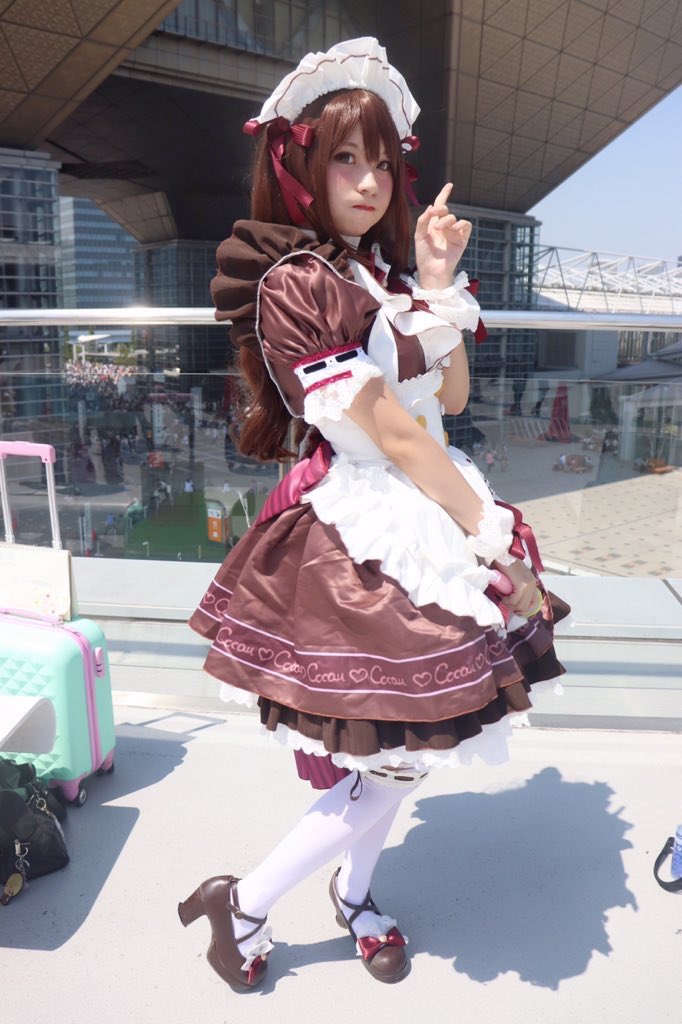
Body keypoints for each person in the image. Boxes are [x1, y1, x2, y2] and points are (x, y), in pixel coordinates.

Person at [181, 37, 568, 992]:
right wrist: (488, 535)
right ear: (299, 166)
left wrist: (434, 278)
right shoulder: (294, 285)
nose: (369, 180)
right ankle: (246, 902)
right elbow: (390, 432)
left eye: (384, 162)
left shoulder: (379, 279)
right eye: (345, 158)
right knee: (396, 756)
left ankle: (351, 896)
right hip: (367, 537)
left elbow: (454, 397)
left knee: (401, 752)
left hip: (426, 506)